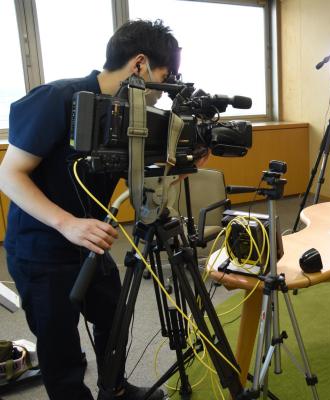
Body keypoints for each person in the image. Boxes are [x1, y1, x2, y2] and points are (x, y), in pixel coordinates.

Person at [0, 20, 182, 400]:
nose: (165, 91)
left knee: (114, 316)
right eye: (166, 76)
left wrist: (178, 163)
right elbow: (9, 175)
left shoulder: (134, 116)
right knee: (59, 343)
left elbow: (138, 183)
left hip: (92, 241)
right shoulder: (57, 98)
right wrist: (66, 224)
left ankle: (114, 389)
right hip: (42, 249)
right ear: (140, 64)